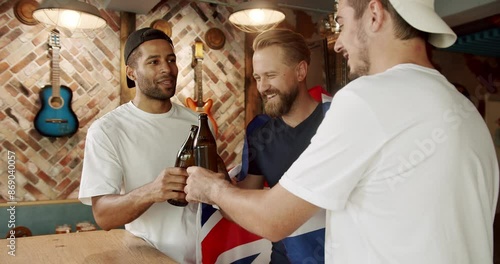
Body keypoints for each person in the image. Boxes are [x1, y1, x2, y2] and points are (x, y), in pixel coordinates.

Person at [184, 0, 499, 263]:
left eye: (342, 22)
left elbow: (273, 219)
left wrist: (210, 188)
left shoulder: (366, 98)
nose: (338, 43)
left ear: (374, 15)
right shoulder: (465, 109)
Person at [79, 28, 200, 263]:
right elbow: (103, 216)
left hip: (207, 254)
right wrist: (152, 191)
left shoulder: (197, 123)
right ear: (132, 72)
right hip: (148, 257)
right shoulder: (107, 130)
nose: (167, 68)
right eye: (154, 61)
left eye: (171, 59)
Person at [238, 29, 327, 263]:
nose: (262, 87)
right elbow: (246, 196)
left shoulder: (335, 121)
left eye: (271, 75)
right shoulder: (259, 133)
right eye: (257, 78)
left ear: (300, 71)